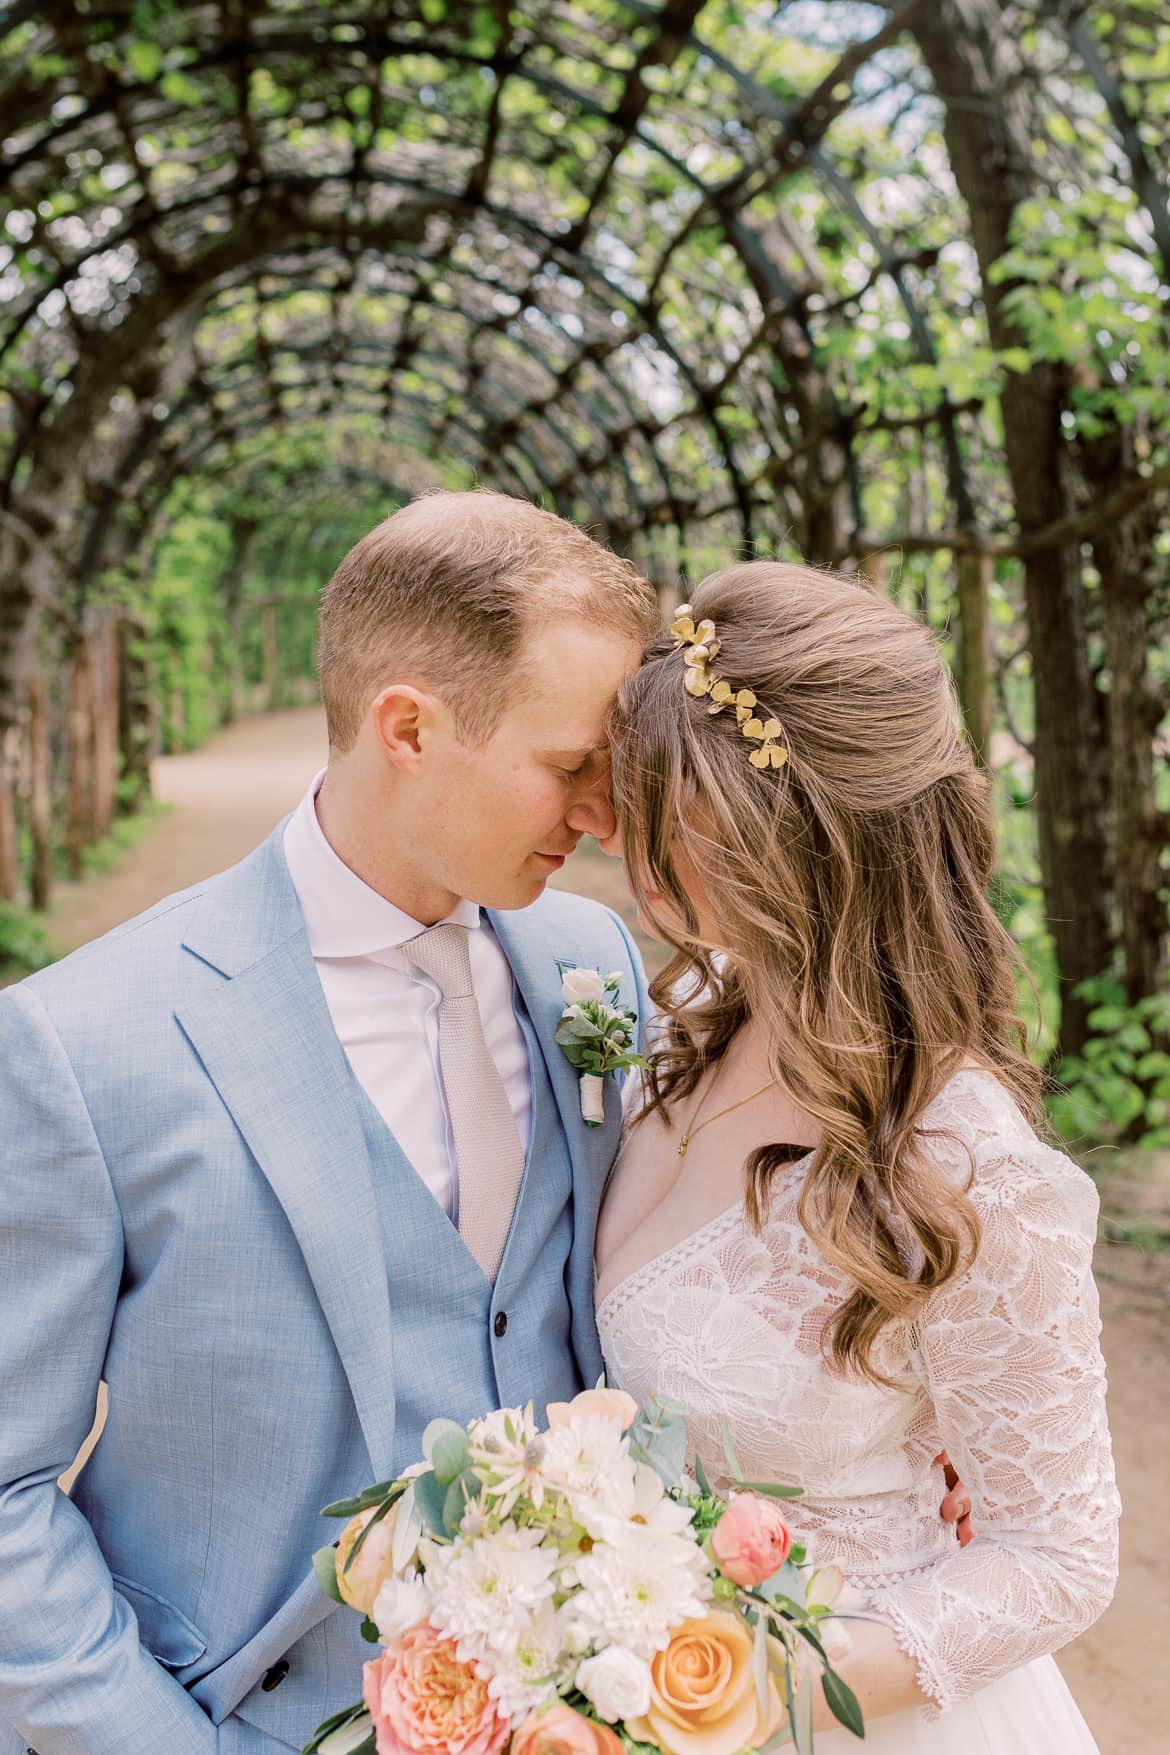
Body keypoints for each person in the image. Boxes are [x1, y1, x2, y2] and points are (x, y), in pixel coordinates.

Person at [0, 493, 655, 1755]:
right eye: (573, 767)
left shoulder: (594, 964)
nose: (604, 820)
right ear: (407, 726)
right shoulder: (81, 1046)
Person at [595, 560, 1120, 1751]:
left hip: (834, 1710)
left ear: (797, 836)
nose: (626, 840)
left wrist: (736, 1686)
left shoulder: (969, 1168)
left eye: (674, 811)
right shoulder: (686, 1009)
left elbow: (1059, 1558)